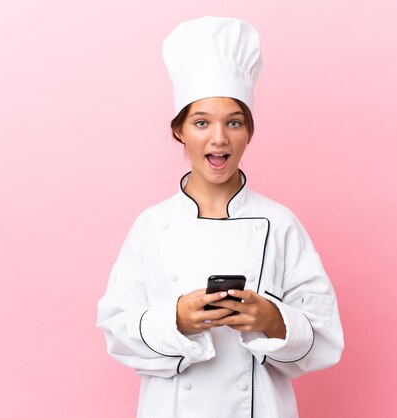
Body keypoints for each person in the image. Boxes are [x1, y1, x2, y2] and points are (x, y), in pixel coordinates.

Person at [96, 16, 344, 418]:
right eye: (201, 122)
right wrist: (176, 319)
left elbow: (325, 338)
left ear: (249, 131)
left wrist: (273, 320)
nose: (219, 138)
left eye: (234, 122)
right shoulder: (151, 226)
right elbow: (116, 332)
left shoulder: (280, 224)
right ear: (179, 131)